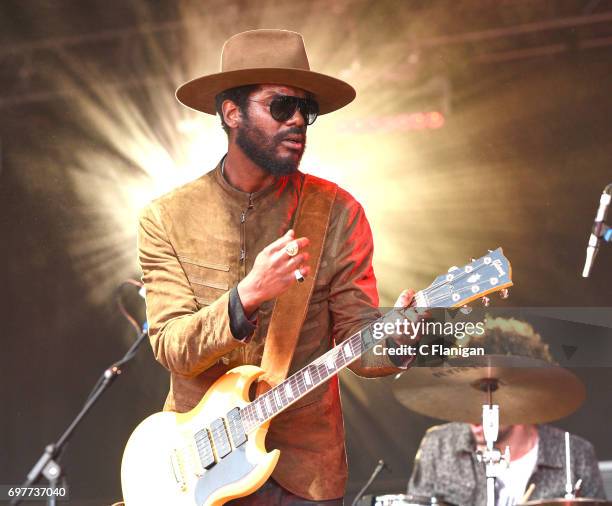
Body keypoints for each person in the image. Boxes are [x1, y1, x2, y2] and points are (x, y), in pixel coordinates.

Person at [138, 29, 417, 505]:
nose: (298, 123)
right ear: (232, 113)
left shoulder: (338, 211)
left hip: (303, 474)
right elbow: (172, 347)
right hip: (195, 472)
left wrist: (405, 336)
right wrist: (246, 297)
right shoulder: (166, 217)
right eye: (281, 107)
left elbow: (361, 347)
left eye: (306, 111)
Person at [407, 316, 606, 505]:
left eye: (491, 389)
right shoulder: (439, 446)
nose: (476, 407)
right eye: (472, 389)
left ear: (526, 392)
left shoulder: (575, 454)